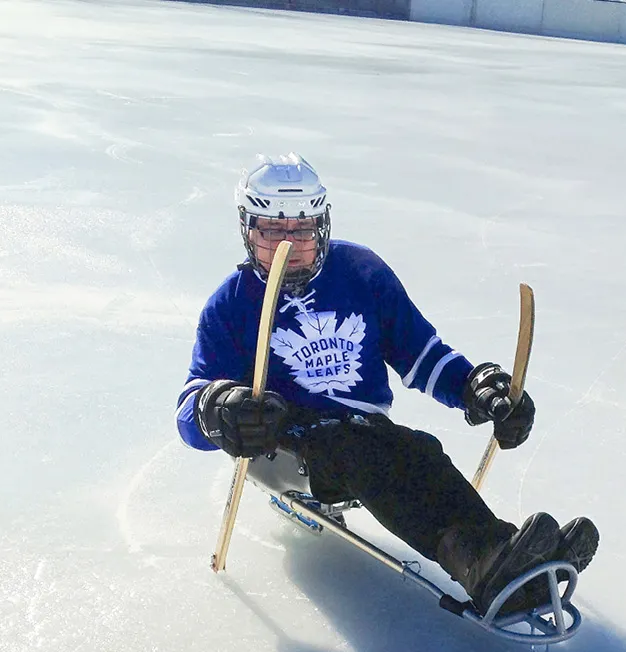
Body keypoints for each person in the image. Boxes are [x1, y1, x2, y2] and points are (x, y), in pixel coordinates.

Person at [174, 153, 599, 615]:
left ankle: (505, 555)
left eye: (302, 228)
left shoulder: (361, 272)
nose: (288, 243)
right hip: (284, 448)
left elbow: (418, 351)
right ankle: (481, 564)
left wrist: (474, 387)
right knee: (359, 451)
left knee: (418, 452)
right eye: (271, 230)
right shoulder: (231, 304)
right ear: (247, 228)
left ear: (323, 224)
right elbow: (190, 407)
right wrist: (218, 410)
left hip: (364, 430)